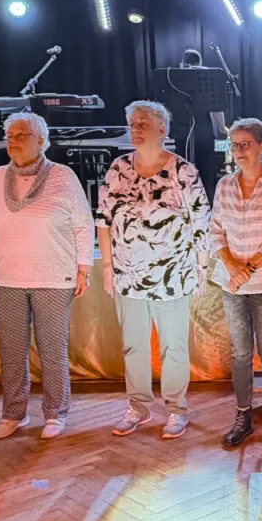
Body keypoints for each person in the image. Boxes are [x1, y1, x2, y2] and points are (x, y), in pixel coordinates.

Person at [97, 100, 211, 440]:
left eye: (142, 123)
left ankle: (176, 409)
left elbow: (201, 222)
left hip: (171, 274)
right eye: (132, 122)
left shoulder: (183, 171)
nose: (134, 128)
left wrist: (201, 269)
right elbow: (103, 218)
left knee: (173, 346)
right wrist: (107, 267)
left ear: (162, 129)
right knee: (133, 344)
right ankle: (139, 406)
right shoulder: (118, 168)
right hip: (128, 275)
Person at [0, 113, 95, 441]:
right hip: (5, 278)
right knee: (11, 350)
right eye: (9, 135)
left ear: (42, 141)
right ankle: (14, 413)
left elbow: (83, 225)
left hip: (53, 276)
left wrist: (83, 268)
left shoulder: (63, 176)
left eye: (22, 135)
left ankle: (55, 413)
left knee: (52, 349)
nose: (13, 140)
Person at [209, 119, 262, 448]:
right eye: (234, 144)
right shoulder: (224, 185)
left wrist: (248, 267)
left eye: (245, 144)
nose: (239, 150)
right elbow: (215, 229)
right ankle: (242, 414)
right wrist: (233, 266)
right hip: (232, 282)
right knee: (240, 353)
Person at [180, 48, 228, 201]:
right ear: (200, 63)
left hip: (182, 137)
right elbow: (216, 112)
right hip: (205, 137)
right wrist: (222, 132)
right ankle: (207, 214)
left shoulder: (175, 80)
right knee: (206, 178)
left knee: (182, 178)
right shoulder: (208, 81)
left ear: (182, 64)